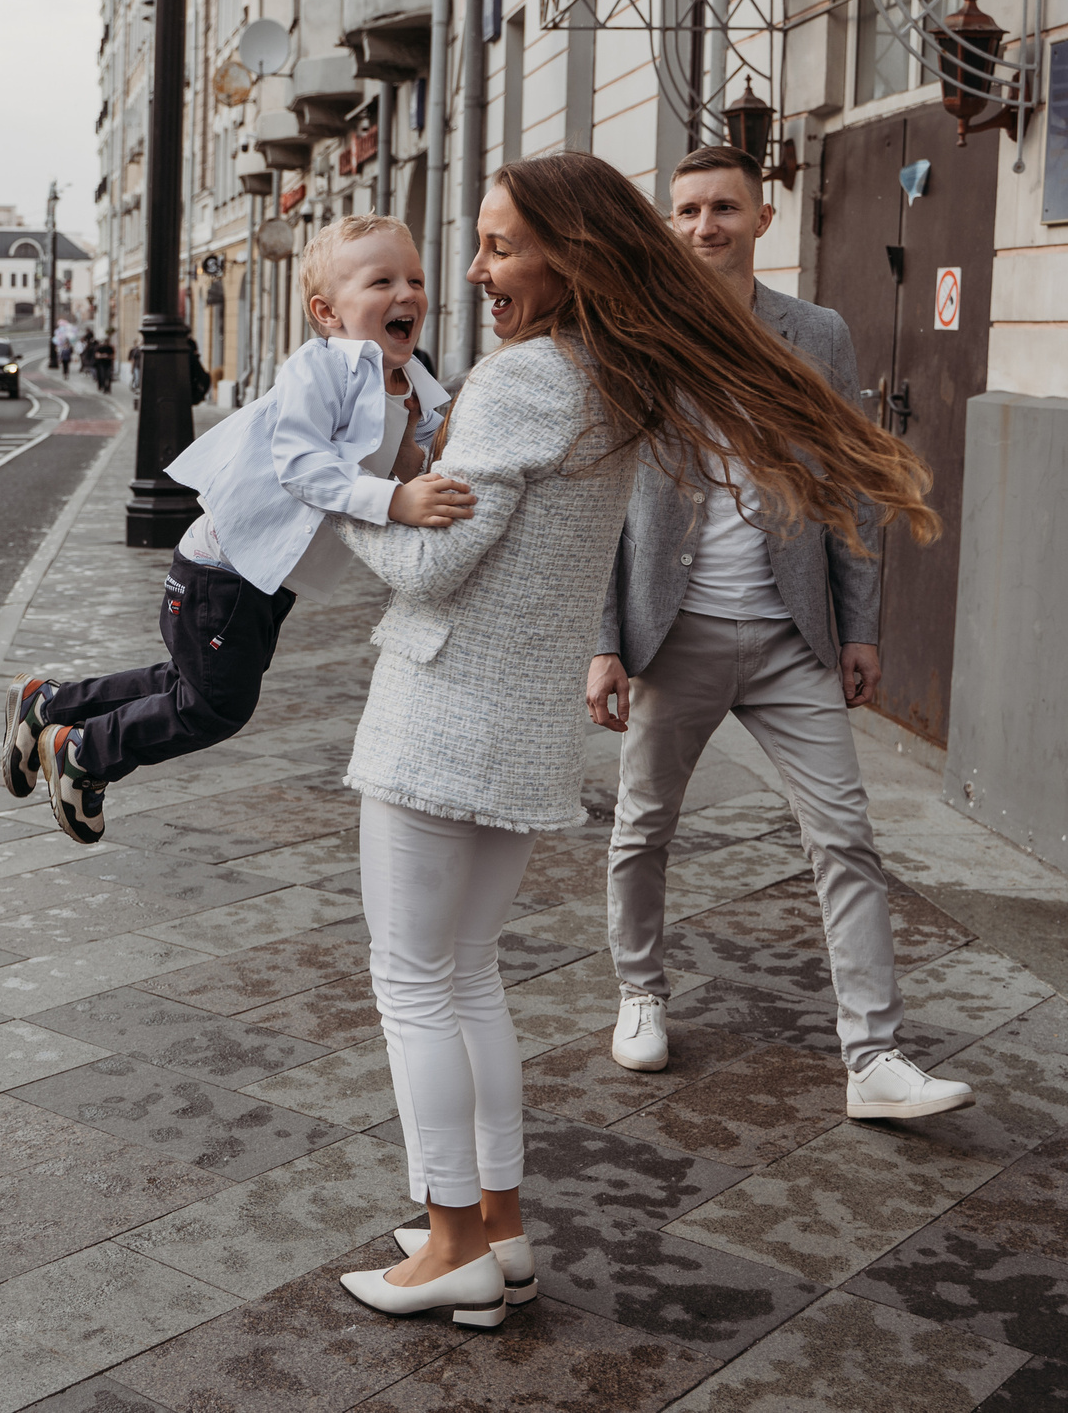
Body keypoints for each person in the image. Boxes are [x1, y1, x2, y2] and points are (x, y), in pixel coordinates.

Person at [333, 152, 936, 1330]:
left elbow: (436, 561)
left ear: (574, 256)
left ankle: (451, 1241)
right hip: (517, 726)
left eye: (501, 247)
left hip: (439, 709)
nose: (475, 270)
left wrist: (337, 490)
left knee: (412, 981)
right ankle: (494, 1228)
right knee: (466, 976)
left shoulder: (522, 382)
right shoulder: (616, 378)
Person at [586, 144, 974, 1123]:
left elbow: (848, 481)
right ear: (667, 223)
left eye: (722, 208)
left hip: (790, 634)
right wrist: (604, 639)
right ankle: (639, 994)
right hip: (674, 634)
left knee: (845, 838)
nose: (702, 226)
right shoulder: (636, 331)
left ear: (762, 220)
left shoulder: (819, 335)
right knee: (642, 829)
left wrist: (861, 625)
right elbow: (599, 502)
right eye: (685, 210)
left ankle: (875, 1058)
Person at [1, 216, 466, 843]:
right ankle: (85, 752)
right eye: (381, 280)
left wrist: (423, 471)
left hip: (269, 576)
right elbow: (303, 467)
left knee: (186, 685)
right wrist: (397, 502)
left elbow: (404, 466)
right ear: (327, 311)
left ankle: (48, 705)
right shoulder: (321, 369)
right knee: (216, 705)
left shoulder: (412, 386)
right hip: (225, 567)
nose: (406, 292)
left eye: (414, 277)